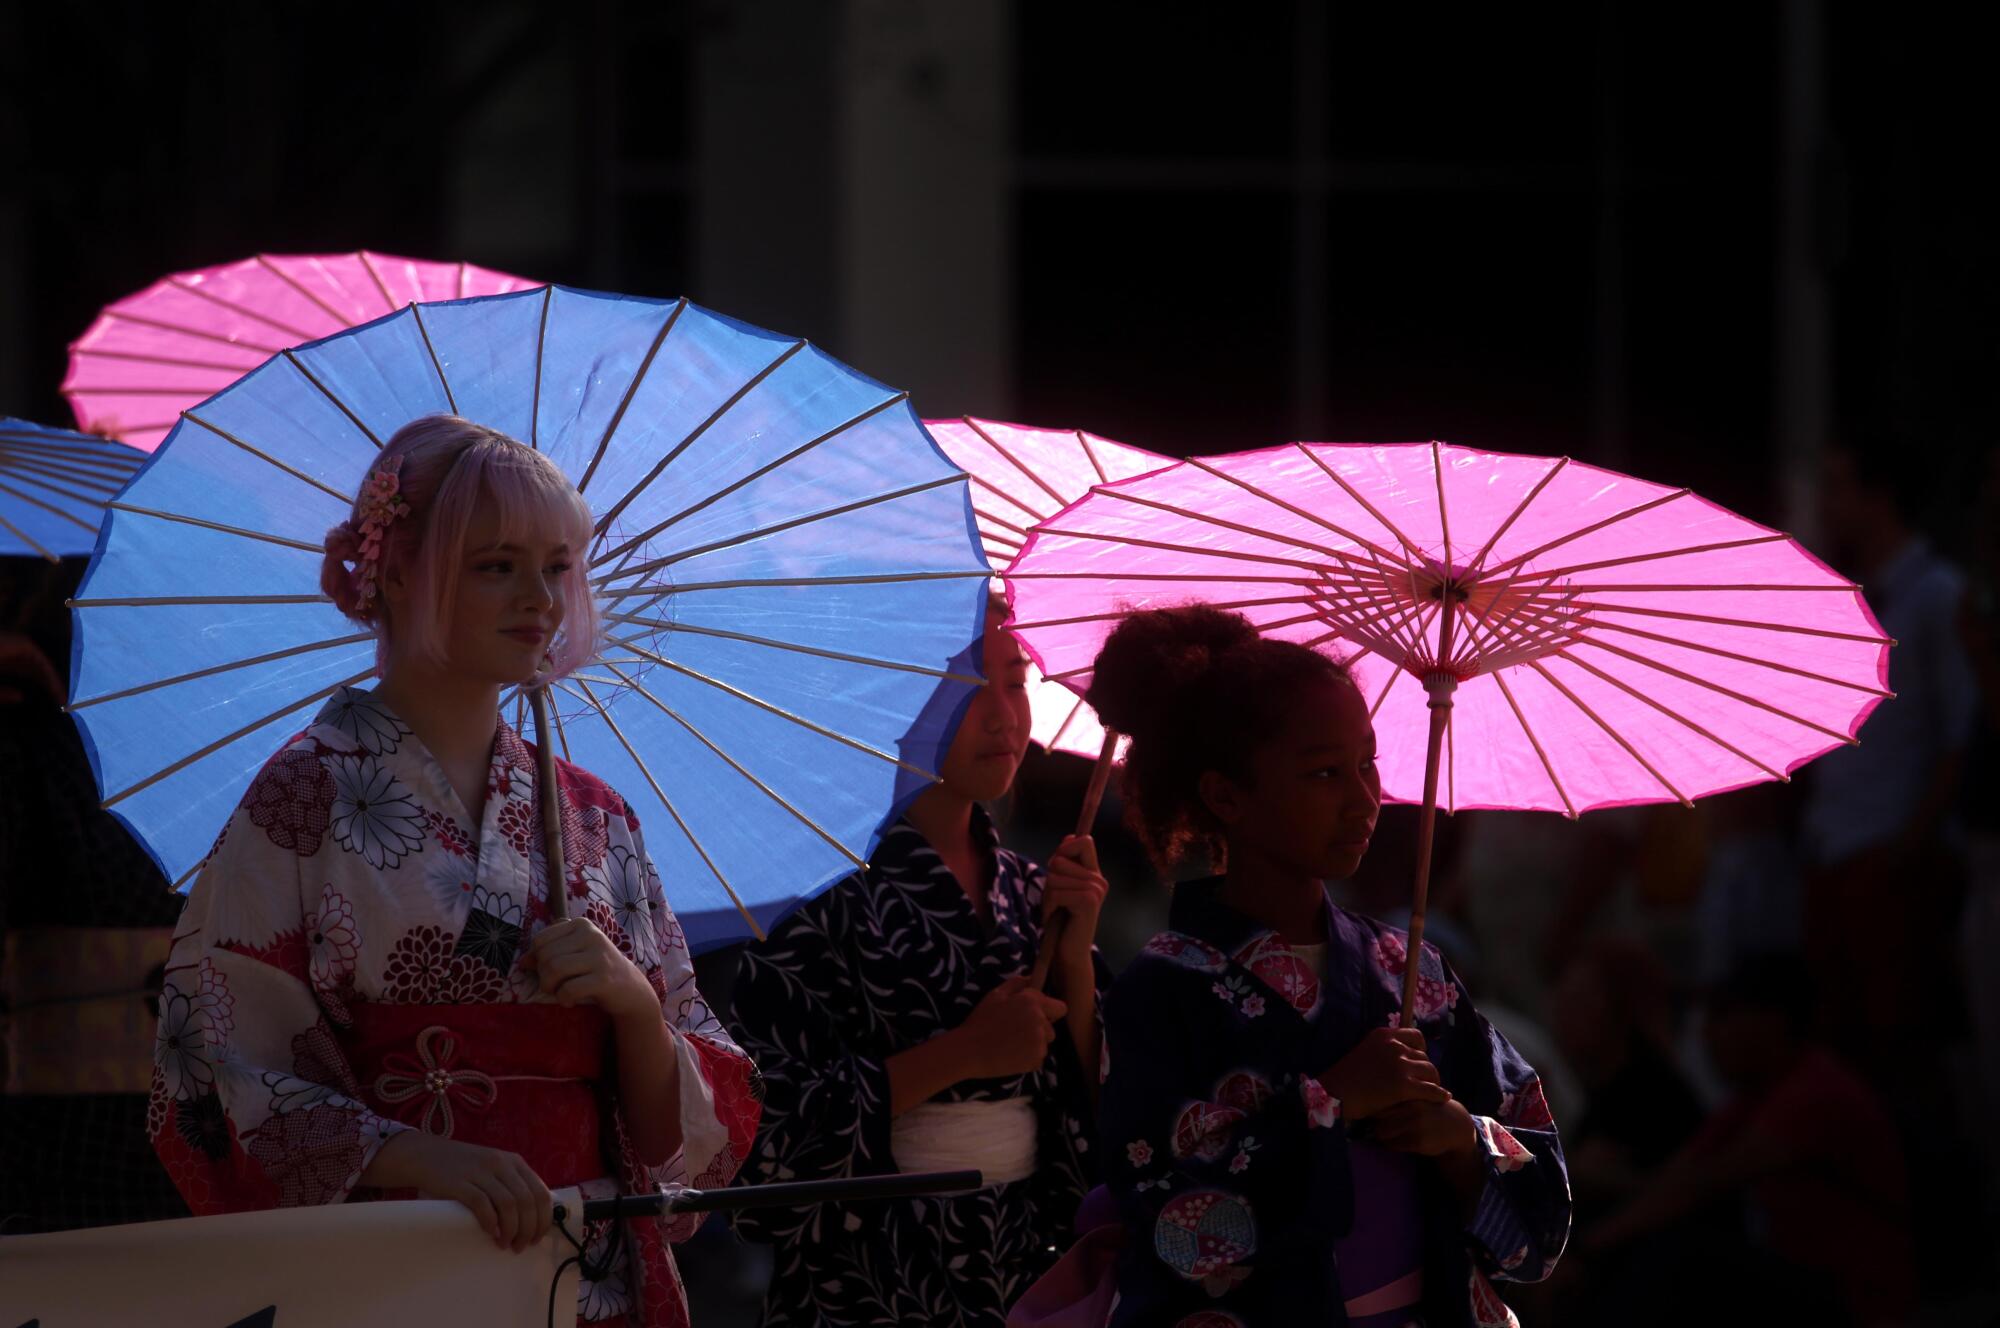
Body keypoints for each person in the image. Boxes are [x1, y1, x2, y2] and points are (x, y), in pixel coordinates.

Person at [146, 417, 760, 1328]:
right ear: (396, 571)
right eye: (497, 565)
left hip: (583, 1259)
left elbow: (691, 1123)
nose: (540, 600)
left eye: (557, 566)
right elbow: (215, 1069)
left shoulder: (596, 814)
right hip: (399, 1257)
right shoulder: (305, 793)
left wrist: (632, 1003)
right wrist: (413, 1155)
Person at [1087, 606, 1569, 1327]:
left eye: (1367, 764)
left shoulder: (1413, 973)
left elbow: (1539, 1219)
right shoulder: (1161, 992)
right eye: (1323, 772)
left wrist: (1459, 1141)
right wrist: (1332, 1102)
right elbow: (1171, 1228)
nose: (1365, 800)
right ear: (1226, 796)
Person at [726, 597, 1107, 1327]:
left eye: (1016, 679)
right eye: (965, 685)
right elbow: (758, 1126)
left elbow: (1098, 1109)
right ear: (888, 695)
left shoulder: (1035, 891)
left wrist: (1077, 963)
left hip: (1023, 1261)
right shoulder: (812, 895)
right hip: (871, 1275)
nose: (1004, 713)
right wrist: (963, 1053)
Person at [1582, 955, 1915, 1327]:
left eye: (1722, 1016)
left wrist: (1587, 1249)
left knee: (1683, 1258)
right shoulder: (1755, 1096)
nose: (1707, 1036)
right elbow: (1677, 1176)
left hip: (1857, 1300)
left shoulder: (1813, 1091)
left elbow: (1700, 1186)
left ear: (1772, 1021)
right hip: (1804, 1278)